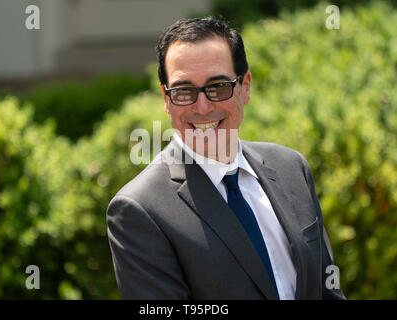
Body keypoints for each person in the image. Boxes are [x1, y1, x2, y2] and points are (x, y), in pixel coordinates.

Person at [106, 17, 345, 300]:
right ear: (166, 99)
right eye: (184, 91)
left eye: (218, 86)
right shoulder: (139, 210)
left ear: (245, 87)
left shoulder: (292, 168)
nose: (203, 107)